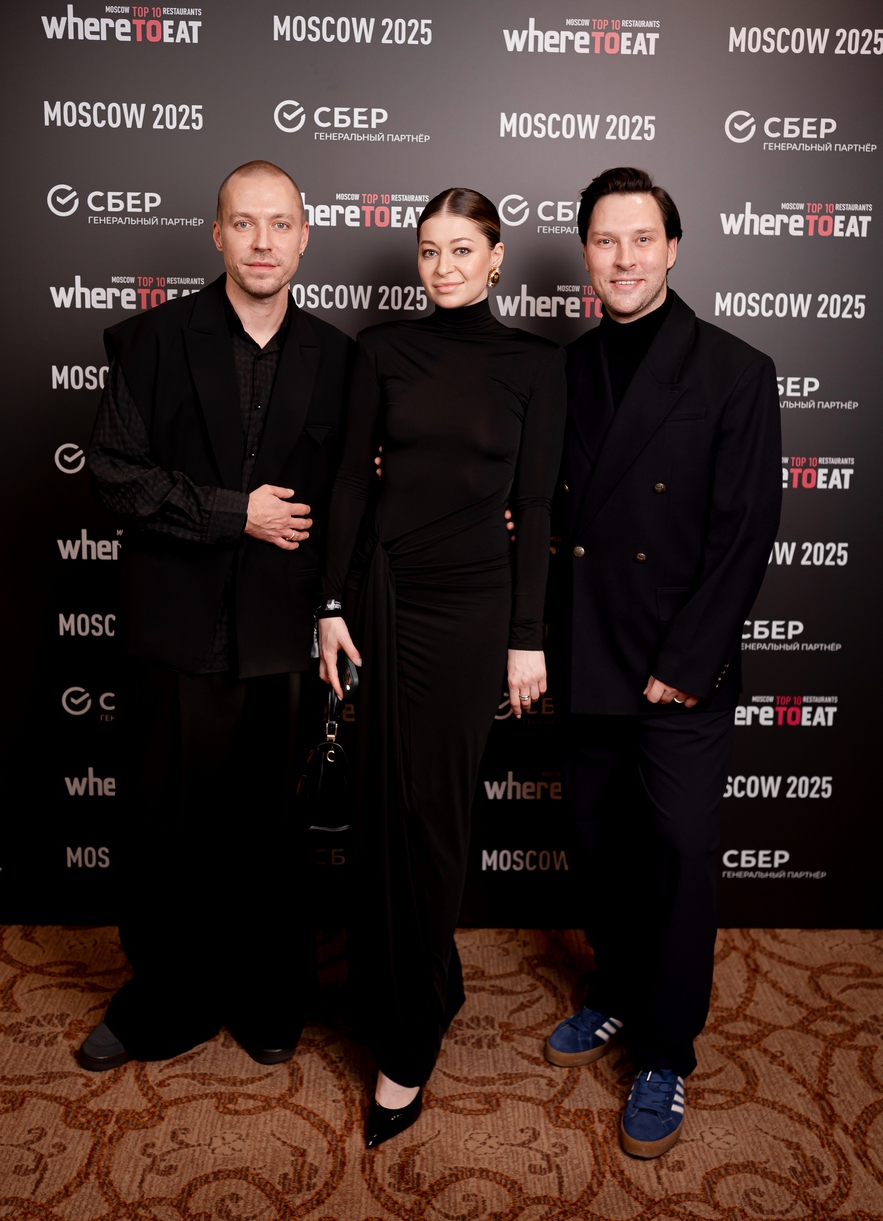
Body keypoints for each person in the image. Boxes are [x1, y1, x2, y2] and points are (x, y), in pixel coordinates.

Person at [77, 161, 352, 1071]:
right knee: (168, 830)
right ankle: (166, 1000)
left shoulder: (341, 358)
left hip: (283, 635)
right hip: (175, 629)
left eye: (279, 224)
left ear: (304, 236)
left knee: (273, 834)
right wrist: (238, 513)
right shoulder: (153, 340)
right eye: (244, 223)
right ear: (217, 234)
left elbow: (360, 498)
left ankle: (271, 995)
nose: (262, 242)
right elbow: (115, 474)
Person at [318, 188, 566, 1147]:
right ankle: (415, 981)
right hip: (385, 595)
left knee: (434, 816)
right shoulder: (380, 349)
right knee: (382, 807)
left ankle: (408, 1042)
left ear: (496, 258)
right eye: (429, 250)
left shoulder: (536, 364)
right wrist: (331, 605)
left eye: (463, 249)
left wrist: (526, 634)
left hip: (472, 611)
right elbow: (351, 478)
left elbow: (535, 506)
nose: (444, 266)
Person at [543, 167, 781, 1158]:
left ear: (673, 248)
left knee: (679, 858)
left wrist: (686, 661)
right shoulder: (561, 371)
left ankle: (664, 1050)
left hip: (678, 669)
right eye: (606, 241)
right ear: (586, 255)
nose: (625, 258)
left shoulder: (734, 368)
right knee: (599, 845)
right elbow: (537, 503)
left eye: (642, 239)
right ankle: (615, 987)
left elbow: (746, 529)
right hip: (586, 651)